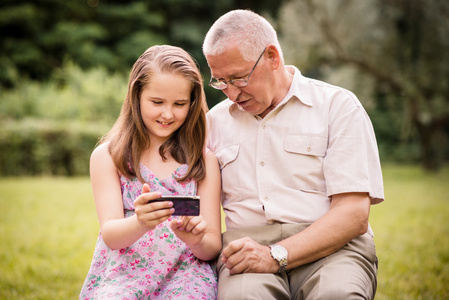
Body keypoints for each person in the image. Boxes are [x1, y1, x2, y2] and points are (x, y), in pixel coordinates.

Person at [202, 9, 384, 300]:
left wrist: (276, 255)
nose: (231, 93)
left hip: (334, 250)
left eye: (238, 78)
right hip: (246, 253)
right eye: (220, 81)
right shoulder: (214, 123)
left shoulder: (337, 106)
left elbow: (353, 214)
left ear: (272, 57)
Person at [80, 45, 222, 299]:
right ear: (137, 96)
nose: (167, 114)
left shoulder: (203, 161)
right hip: (124, 273)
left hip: (186, 274)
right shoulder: (108, 157)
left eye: (180, 104)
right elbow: (111, 235)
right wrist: (140, 222)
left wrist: (196, 239)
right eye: (157, 102)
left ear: (193, 102)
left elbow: (211, 247)